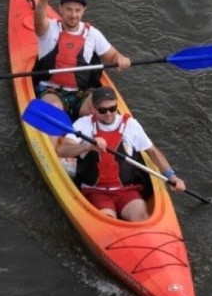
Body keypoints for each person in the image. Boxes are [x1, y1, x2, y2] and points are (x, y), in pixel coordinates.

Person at [56, 86, 187, 221]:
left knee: (142, 217)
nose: (109, 114)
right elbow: (63, 150)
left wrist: (171, 176)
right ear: (93, 109)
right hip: (96, 191)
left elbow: (152, 151)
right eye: (102, 110)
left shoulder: (131, 125)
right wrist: (88, 146)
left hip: (126, 190)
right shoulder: (83, 125)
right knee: (108, 219)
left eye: (112, 108)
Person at [34, 0, 131, 122]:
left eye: (77, 10)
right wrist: (42, 2)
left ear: (83, 10)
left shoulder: (93, 34)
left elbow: (112, 56)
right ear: (60, 8)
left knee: (103, 109)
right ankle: (58, 143)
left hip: (82, 93)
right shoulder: (50, 28)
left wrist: (120, 59)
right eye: (69, 9)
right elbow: (39, 24)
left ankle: (102, 140)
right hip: (51, 90)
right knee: (55, 108)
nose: (73, 15)